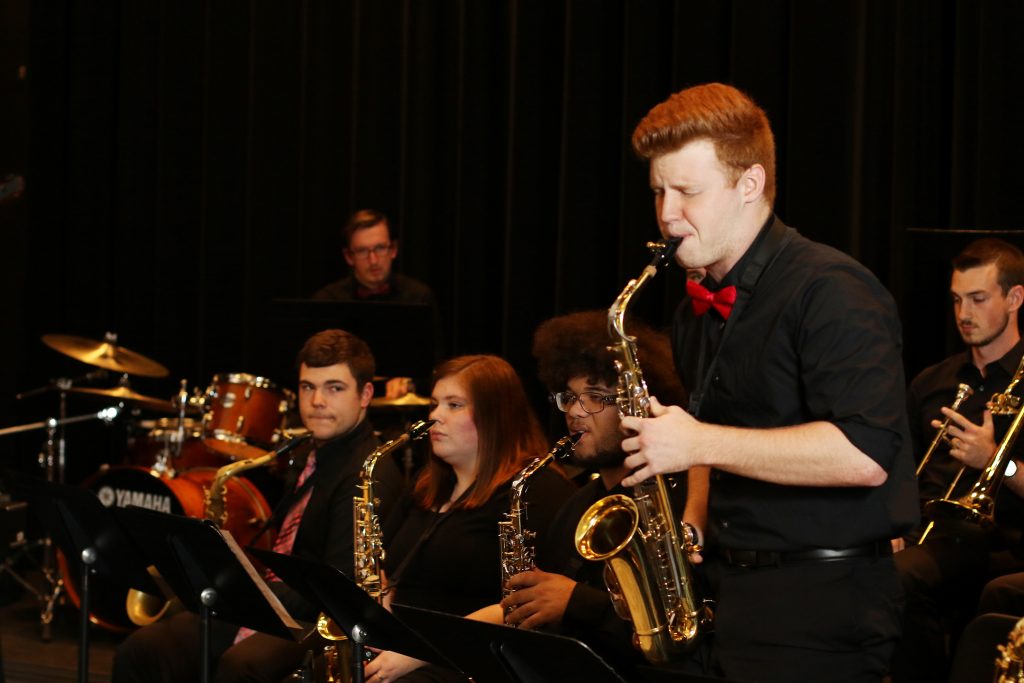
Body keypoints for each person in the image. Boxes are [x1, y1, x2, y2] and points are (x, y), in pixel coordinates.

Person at [615, 82, 918, 682]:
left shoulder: (832, 289)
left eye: (687, 192)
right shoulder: (689, 311)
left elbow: (864, 454)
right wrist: (695, 516)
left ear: (748, 184)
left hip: (823, 603)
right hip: (730, 594)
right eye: (658, 192)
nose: (666, 212)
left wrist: (697, 443)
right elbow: (715, 427)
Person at [112, 329, 406, 683]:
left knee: (241, 667)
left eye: (334, 388)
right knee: (143, 649)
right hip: (273, 605)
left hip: (322, 623)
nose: (316, 401)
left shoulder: (370, 473)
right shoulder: (308, 452)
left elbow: (338, 588)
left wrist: (244, 588)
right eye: (307, 387)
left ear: (366, 395)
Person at [496, 310, 705, 675]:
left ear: (637, 404)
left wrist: (579, 603)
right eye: (568, 396)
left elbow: (689, 630)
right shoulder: (576, 504)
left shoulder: (681, 498)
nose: (575, 412)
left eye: (594, 396)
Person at [363, 354, 576, 683]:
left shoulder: (535, 490)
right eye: (435, 404)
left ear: (496, 416)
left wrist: (420, 650)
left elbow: (525, 603)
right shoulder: (425, 486)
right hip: (404, 650)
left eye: (454, 405)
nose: (435, 416)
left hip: (473, 659)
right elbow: (384, 565)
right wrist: (382, 620)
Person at [891, 238, 1024, 682]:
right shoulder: (932, 382)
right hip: (932, 535)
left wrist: (995, 461)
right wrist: (891, 528)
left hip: (1004, 544)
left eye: (979, 299)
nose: (964, 314)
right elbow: (898, 469)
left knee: (903, 578)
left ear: (1015, 298)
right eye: (957, 300)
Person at [312, 209, 439, 399]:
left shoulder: (418, 296)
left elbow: (435, 364)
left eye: (380, 248)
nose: (373, 260)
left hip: (403, 407)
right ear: (348, 256)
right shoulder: (327, 299)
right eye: (363, 251)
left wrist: (410, 381)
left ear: (393, 249)